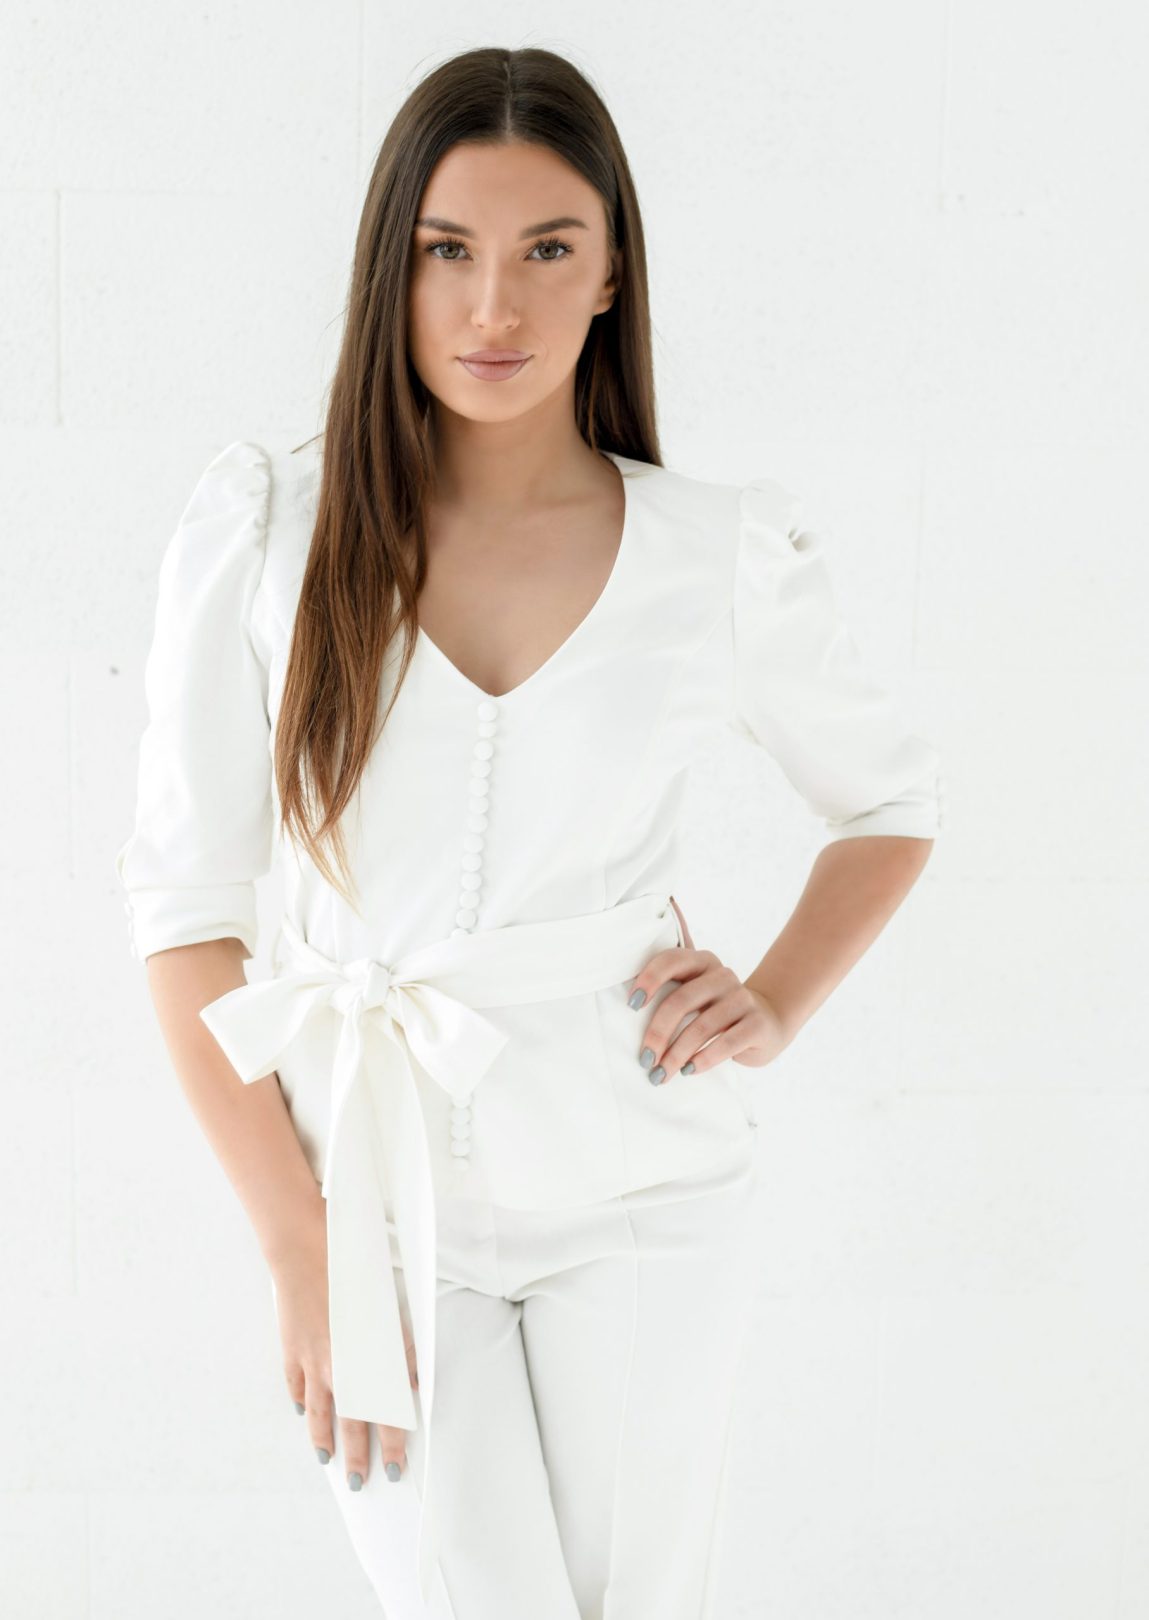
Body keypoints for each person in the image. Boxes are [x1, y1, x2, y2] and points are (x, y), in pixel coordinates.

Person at [114, 43, 941, 1620]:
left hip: (645, 1198)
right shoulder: (269, 531)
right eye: (448, 250)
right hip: (370, 1202)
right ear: (392, 267)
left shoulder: (712, 552)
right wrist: (300, 1244)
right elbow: (183, 914)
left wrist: (773, 999)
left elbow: (887, 801)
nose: (493, 305)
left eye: (546, 249)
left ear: (611, 273)